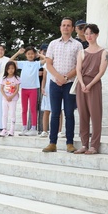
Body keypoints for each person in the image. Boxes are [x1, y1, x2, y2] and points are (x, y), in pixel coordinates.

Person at [42, 18, 83, 153]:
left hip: (70, 84)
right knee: (55, 113)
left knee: (69, 113)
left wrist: (66, 78)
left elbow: (79, 65)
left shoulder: (77, 45)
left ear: (72, 28)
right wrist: (59, 77)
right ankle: (52, 142)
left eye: (68, 26)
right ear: (60, 28)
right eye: (63, 25)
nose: (66, 28)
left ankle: (69, 143)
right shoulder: (53, 44)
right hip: (55, 83)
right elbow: (48, 63)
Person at [75, 24, 108, 154]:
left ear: (97, 34)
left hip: (94, 84)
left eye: (91, 33)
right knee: (83, 114)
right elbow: (78, 69)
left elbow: (101, 71)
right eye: (86, 33)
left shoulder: (103, 52)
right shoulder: (81, 52)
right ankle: (84, 144)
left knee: (95, 114)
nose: (89, 36)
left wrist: (90, 84)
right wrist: (82, 84)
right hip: (81, 85)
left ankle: (94, 145)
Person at [10, 46, 43, 135]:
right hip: (24, 88)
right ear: (25, 55)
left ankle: (33, 129)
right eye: (28, 54)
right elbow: (10, 61)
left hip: (33, 89)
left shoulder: (37, 63)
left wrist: (39, 54)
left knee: (33, 109)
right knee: (24, 109)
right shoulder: (23, 63)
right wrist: (18, 53)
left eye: (32, 54)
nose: (30, 55)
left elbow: (47, 60)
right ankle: (24, 128)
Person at [0, 60, 21, 137]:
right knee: (4, 114)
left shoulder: (16, 78)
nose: (11, 70)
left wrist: (11, 96)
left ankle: (12, 129)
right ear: (6, 69)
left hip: (13, 98)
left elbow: (17, 89)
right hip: (5, 99)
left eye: (12, 68)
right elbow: (1, 89)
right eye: (9, 68)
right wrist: (6, 96)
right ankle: (4, 129)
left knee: (12, 114)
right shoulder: (4, 78)